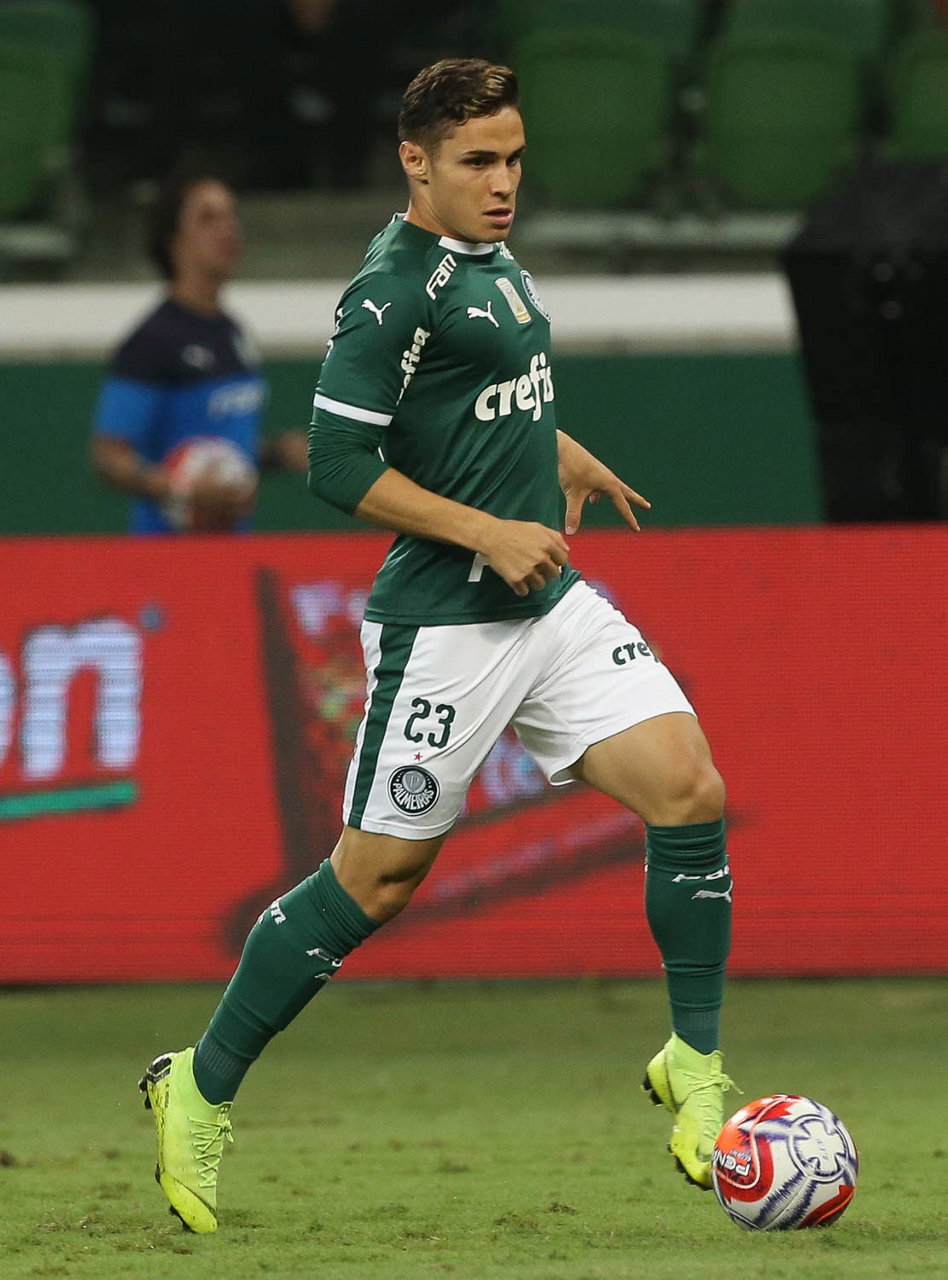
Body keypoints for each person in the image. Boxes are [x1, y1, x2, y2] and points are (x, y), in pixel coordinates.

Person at [139, 58, 738, 1234]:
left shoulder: (493, 259)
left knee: (689, 786)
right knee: (377, 878)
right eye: (478, 162)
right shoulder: (388, 294)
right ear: (415, 161)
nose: (504, 182)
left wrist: (557, 451)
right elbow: (336, 464)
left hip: (546, 602)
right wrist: (486, 529)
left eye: (513, 158)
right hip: (447, 625)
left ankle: (697, 1068)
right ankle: (199, 1084)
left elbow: (481, 401)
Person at [91, 173, 308, 533]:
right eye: (208, 218)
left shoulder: (234, 333)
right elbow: (109, 457)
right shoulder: (151, 342)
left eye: (231, 215)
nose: (228, 229)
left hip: (231, 549)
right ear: (173, 240)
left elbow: (223, 443)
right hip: (166, 554)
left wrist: (279, 452)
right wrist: (182, 490)